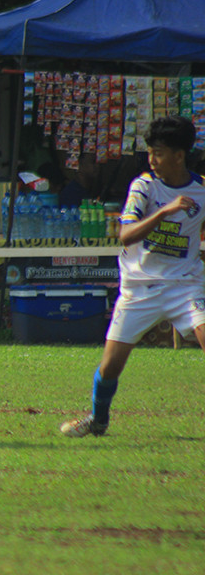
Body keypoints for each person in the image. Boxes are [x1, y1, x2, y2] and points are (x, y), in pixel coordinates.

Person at [61, 115, 205, 437]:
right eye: (151, 152)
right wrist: (165, 212)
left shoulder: (201, 190)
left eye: (159, 153)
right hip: (139, 286)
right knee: (110, 366)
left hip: (186, 285)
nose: (152, 160)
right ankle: (98, 421)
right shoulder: (144, 187)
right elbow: (126, 236)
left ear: (179, 156)